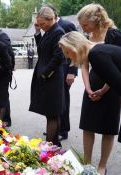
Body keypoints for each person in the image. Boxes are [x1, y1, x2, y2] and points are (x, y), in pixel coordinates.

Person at [68, 4, 121, 174]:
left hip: (112, 87)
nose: (84, 29)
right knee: (88, 125)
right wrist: (88, 88)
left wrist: (104, 90)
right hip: (92, 85)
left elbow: (117, 70)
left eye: (85, 25)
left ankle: (102, 166)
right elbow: (84, 65)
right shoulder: (89, 35)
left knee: (108, 128)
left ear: (96, 19)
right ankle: (87, 163)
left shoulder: (114, 34)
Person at [29, 7, 65, 147]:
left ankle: (50, 145)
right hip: (47, 77)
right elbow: (42, 49)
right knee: (51, 112)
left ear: (51, 19)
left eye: (42, 24)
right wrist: (38, 32)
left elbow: (58, 57)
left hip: (52, 78)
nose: (41, 26)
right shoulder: (49, 31)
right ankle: (54, 144)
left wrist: (45, 74)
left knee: (52, 112)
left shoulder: (58, 32)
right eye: (39, 24)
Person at [45, 4, 78, 141]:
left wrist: (72, 71)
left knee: (63, 100)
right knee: (54, 101)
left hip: (65, 69)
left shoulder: (67, 25)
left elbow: (76, 47)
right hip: (54, 70)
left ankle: (63, 130)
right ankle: (54, 128)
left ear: (53, 14)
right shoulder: (48, 28)